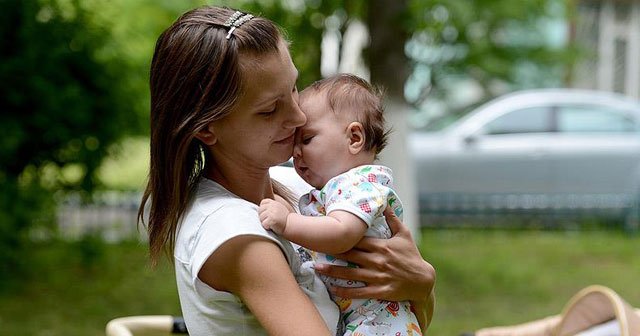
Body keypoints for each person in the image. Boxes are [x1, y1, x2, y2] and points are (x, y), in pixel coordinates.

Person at [138, 5, 435, 336]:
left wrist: (421, 284)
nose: (298, 117)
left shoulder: (297, 182)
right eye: (268, 110)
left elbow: (403, 317)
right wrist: (418, 285)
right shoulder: (234, 234)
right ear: (207, 129)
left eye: (293, 88)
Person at [259, 74, 421, 335]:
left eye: (307, 139)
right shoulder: (333, 189)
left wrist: (287, 221)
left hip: (379, 322)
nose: (296, 152)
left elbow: (341, 234)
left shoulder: (360, 185)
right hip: (362, 317)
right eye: (294, 142)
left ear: (354, 138)